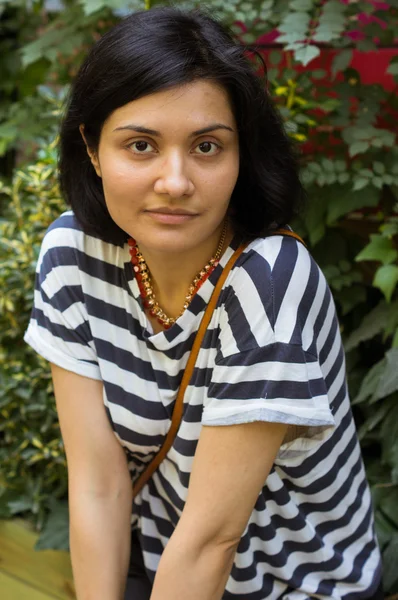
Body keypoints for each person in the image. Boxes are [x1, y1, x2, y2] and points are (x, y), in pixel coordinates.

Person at [24, 6, 382, 600]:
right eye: (140, 145)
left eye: (207, 147)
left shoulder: (269, 282)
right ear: (91, 148)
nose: (175, 180)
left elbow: (213, 539)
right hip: (163, 565)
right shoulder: (71, 253)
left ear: (241, 155)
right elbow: (97, 483)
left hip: (294, 586)